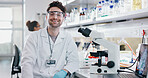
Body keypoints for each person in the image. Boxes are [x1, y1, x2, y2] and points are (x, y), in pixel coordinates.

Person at [21, 1, 79, 78]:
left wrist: (64, 71)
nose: (55, 17)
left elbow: (74, 61)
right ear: (46, 17)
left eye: (59, 15)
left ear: (63, 18)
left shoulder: (67, 38)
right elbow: (27, 63)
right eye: (52, 14)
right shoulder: (34, 37)